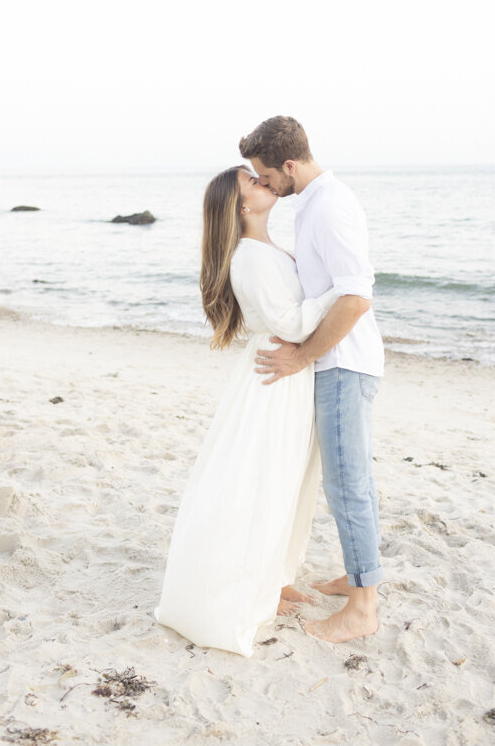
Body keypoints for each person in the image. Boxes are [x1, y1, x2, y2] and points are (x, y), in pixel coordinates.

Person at [154, 165, 337, 656]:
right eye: (251, 182)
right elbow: (289, 322)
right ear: (242, 206)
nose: (263, 183)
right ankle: (247, 586)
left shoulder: (267, 249)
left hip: (284, 375)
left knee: (283, 480)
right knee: (261, 480)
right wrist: (343, 294)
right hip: (274, 378)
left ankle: (272, 580)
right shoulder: (250, 257)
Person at [239, 116, 385, 644]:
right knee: (349, 480)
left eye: (266, 174)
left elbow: (355, 296)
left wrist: (302, 356)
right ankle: (356, 577)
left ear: (290, 165)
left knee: (346, 485)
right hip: (339, 362)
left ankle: (362, 609)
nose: (265, 183)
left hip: (344, 363)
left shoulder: (329, 207)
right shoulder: (314, 205)